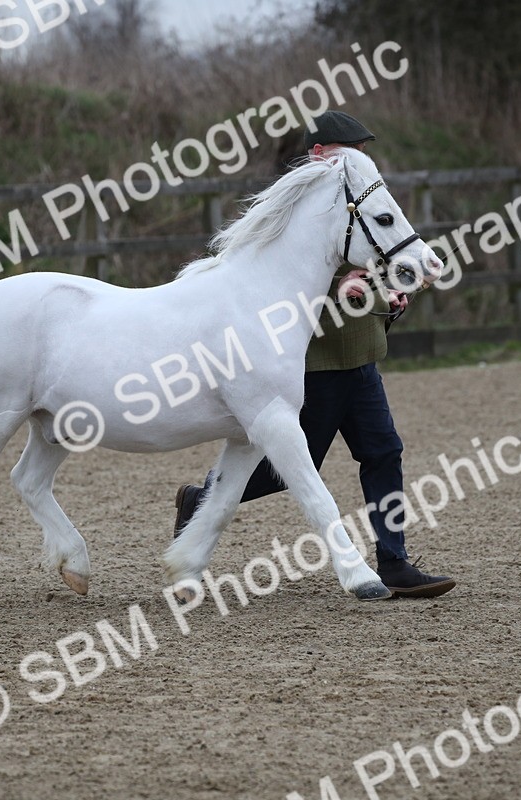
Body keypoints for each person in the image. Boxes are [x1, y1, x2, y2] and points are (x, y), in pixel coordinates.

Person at [173, 110, 455, 599]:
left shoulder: (359, 199)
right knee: (288, 472)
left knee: (383, 451)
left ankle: (393, 561)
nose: (361, 160)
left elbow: (377, 254)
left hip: (360, 355)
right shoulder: (296, 209)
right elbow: (277, 288)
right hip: (314, 364)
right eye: (352, 152)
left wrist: (387, 291)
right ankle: (200, 500)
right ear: (321, 153)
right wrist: (340, 285)